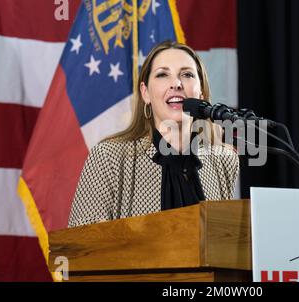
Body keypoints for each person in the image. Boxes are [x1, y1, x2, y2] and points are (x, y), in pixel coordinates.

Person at [68, 41, 239, 228]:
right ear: (145, 93)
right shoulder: (109, 157)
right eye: (163, 74)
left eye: (187, 74)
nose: (176, 83)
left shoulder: (224, 161)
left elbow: (224, 243)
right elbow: (83, 243)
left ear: (202, 95)